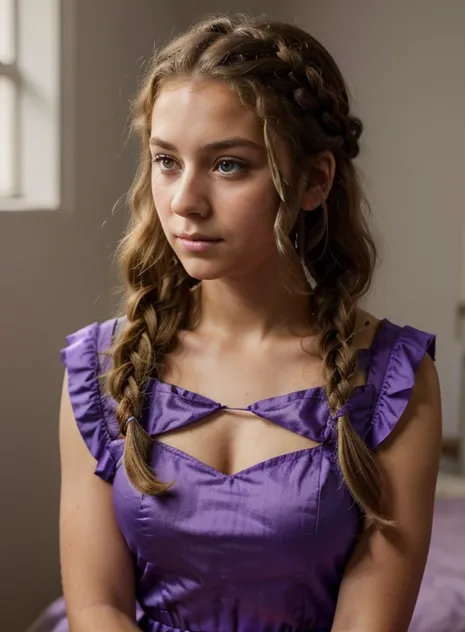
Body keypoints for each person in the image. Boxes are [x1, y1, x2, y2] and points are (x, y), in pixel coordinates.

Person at [51, 13, 442, 632]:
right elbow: (96, 607)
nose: (184, 201)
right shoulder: (101, 371)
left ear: (314, 180)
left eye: (228, 164)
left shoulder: (394, 381)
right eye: (166, 161)